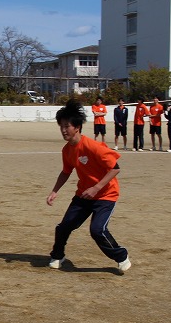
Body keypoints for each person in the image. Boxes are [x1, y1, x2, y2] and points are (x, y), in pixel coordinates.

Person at [46, 100, 131, 275]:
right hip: (83, 195)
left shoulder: (93, 147)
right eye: (61, 126)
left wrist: (96, 188)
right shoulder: (67, 150)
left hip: (105, 195)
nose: (63, 130)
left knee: (97, 230)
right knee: (63, 227)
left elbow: (115, 168)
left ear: (77, 127)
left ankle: (121, 256)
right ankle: (58, 255)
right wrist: (54, 191)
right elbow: (66, 171)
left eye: (67, 126)